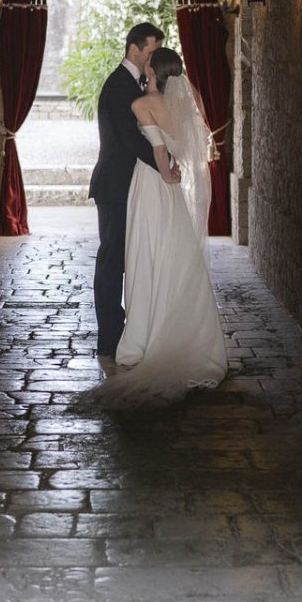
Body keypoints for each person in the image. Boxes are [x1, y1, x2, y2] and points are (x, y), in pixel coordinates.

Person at [82, 43, 229, 408]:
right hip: (172, 194)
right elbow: (177, 144)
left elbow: (158, 151)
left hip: (150, 185)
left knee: (145, 255)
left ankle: (143, 338)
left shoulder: (141, 104)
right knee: (173, 255)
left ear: (153, 71)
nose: (145, 61)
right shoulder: (182, 105)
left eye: (150, 60)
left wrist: (164, 171)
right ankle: (184, 333)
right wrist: (172, 173)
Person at [89, 22, 180, 364]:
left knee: (134, 259)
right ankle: (109, 339)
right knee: (112, 261)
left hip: (135, 185)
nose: (154, 58)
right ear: (134, 49)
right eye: (151, 51)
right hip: (116, 186)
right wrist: (164, 166)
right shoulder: (118, 86)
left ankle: (133, 329)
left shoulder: (140, 85)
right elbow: (129, 140)